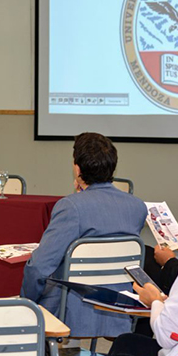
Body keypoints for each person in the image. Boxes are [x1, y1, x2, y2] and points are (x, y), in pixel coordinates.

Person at [21, 132, 148, 337]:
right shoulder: (137, 207)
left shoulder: (70, 207)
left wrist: (26, 302)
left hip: (72, 310)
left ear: (78, 169)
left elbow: (38, 267)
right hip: (118, 307)